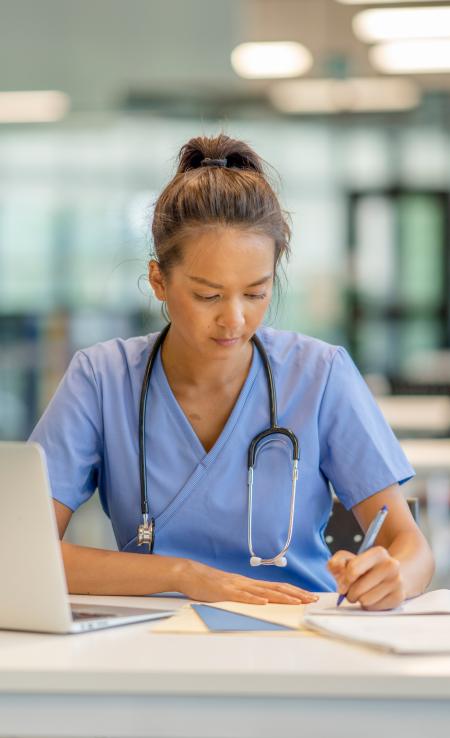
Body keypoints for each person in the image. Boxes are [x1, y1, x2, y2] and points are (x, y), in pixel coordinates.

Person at [30, 134, 434, 610]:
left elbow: (411, 548)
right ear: (159, 280)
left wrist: (393, 576)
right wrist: (184, 575)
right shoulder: (101, 379)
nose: (235, 319)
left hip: (299, 632)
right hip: (148, 638)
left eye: (256, 293)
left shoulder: (319, 374)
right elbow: (23, 553)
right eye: (208, 295)